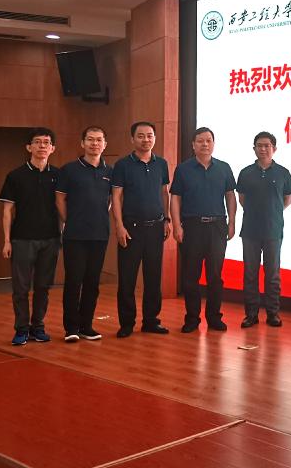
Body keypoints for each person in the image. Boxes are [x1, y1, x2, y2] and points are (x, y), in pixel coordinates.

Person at [170, 127, 236, 333]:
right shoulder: (183, 169)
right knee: (191, 276)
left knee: (215, 276)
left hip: (217, 226)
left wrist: (232, 222)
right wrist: (176, 224)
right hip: (192, 227)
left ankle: (214, 317)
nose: (205, 144)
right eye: (200, 141)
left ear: (213, 144)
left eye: (208, 140)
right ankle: (192, 319)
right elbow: (175, 198)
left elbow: (230, 196)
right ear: (193, 145)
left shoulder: (224, 168)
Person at [0, 127, 61, 345]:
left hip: (51, 239)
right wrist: (7, 241)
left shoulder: (58, 175)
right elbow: (7, 211)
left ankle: (38, 327)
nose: (42, 146)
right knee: (21, 288)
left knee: (43, 287)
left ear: (52, 148)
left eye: (46, 142)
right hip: (22, 239)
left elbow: (63, 207)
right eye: (37, 142)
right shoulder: (15, 175)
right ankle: (21, 329)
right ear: (29, 147)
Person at [111, 121, 171, 338]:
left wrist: (167, 219)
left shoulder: (161, 163)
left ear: (154, 138)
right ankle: (127, 323)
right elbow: (116, 196)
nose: (146, 139)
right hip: (131, 229)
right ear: (132, 139)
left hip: (156, 228)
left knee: (153, 278)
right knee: (127, 279)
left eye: (150, 135)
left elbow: (164, 193)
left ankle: (151, 321)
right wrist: (119, 226)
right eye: (141, 136)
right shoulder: (122, 165)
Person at [55, 126, 111, 342]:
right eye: (90, 139)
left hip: (100, 234)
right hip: (75, 235)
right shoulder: (69, 170)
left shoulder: (110, 171)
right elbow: (60, 199)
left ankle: (86, 326)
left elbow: (111, 200)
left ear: (104, 144)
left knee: (92, 282)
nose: (94, 143)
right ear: (82, 143)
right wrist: (70, 220)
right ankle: (71, 328)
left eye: (98, 140)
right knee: (74, 281)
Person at [237, 131, 291, 328]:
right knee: (250, 274)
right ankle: (251, 314)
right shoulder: (245, 173)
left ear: (274, 149)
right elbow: (242, 199)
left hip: (273, 231)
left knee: (272, 275)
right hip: (250, 231)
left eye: (267, 145)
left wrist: (272, 212)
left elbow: (287, 200)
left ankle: (273, 314)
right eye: (259, 145)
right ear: (254, 149)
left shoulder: (283, 173)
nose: (263, 149)